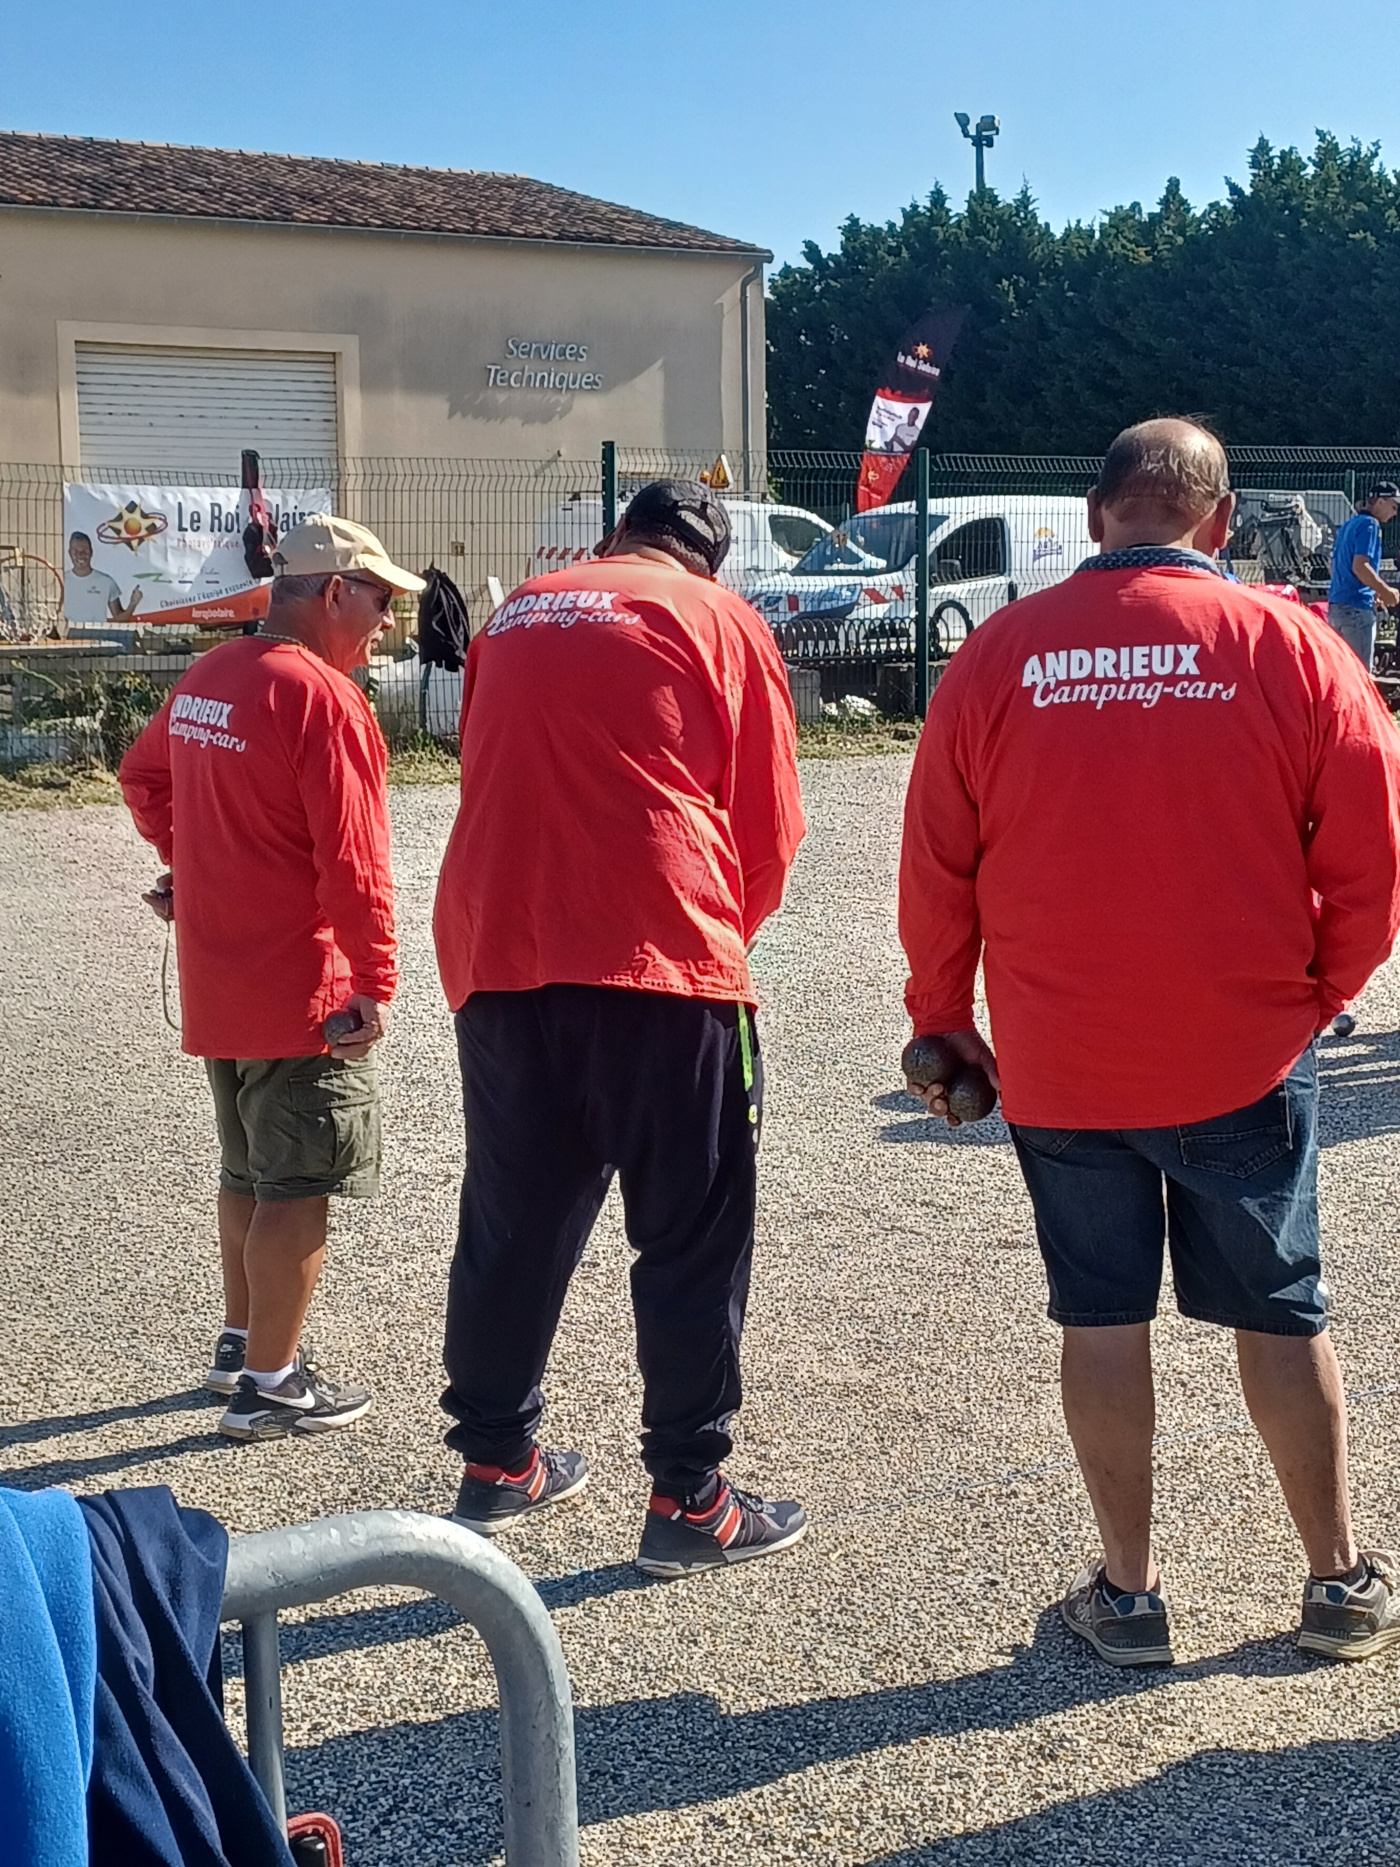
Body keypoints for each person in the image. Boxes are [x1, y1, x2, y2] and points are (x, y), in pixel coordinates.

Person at [900, 418, 1400, 1665]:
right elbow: (1371, 857)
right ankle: (1335, 1582)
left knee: (1098, 1316)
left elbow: (934, 862)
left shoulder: (999, 653)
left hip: (1062, 1057)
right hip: (1238, 1051)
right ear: (1220, 524)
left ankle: (1128, 1597)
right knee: (1280, 1312)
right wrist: (1311, 992)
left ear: (1091, 515)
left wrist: (940, 1018)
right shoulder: (1289, 643)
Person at [433, 479, 807, 1576]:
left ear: (614, 537)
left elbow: (493, 767)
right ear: (710, 558)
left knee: (514, 1216)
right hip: (663, 958)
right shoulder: (719, 621)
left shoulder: (518, 613)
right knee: (690, 1231)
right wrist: (715, 937)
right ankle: (688, 1498)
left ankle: (497, 1460)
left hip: (503, 952)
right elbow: (767, 824)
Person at [120, 515, 423, 1440]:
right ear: (335, 592)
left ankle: (243, 1339)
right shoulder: (325, 701)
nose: (387, 622)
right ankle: (272, 1383)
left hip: (225, 978)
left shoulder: (210, 677)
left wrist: (193, 865)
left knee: (248, 1168)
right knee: (298, 1184)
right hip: (305, 988)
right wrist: (374, 979)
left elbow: (144, 778)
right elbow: (354, 862)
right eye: (379, 600)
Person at [1326, 482, 1400, 669]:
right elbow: (1361, 567)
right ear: (1380, 501)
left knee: (1341, 672)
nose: (1395, 513)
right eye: (1394, 506)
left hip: (1337, 607)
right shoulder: (1370, 525)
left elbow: (1335, 565)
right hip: (1357, 610)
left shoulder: (1350, 523)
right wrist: (1386, 592)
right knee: (1360, 675)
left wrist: (1372, 590)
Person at [63, 532, 141, 630]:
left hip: (98, 638)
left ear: (91, 552)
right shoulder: (61, 582)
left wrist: (133, 604)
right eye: (76, 551)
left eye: (85, 551)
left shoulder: (106, 582)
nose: (81, 555)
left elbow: (119, 618)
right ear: (69, 553)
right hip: (68, 639)